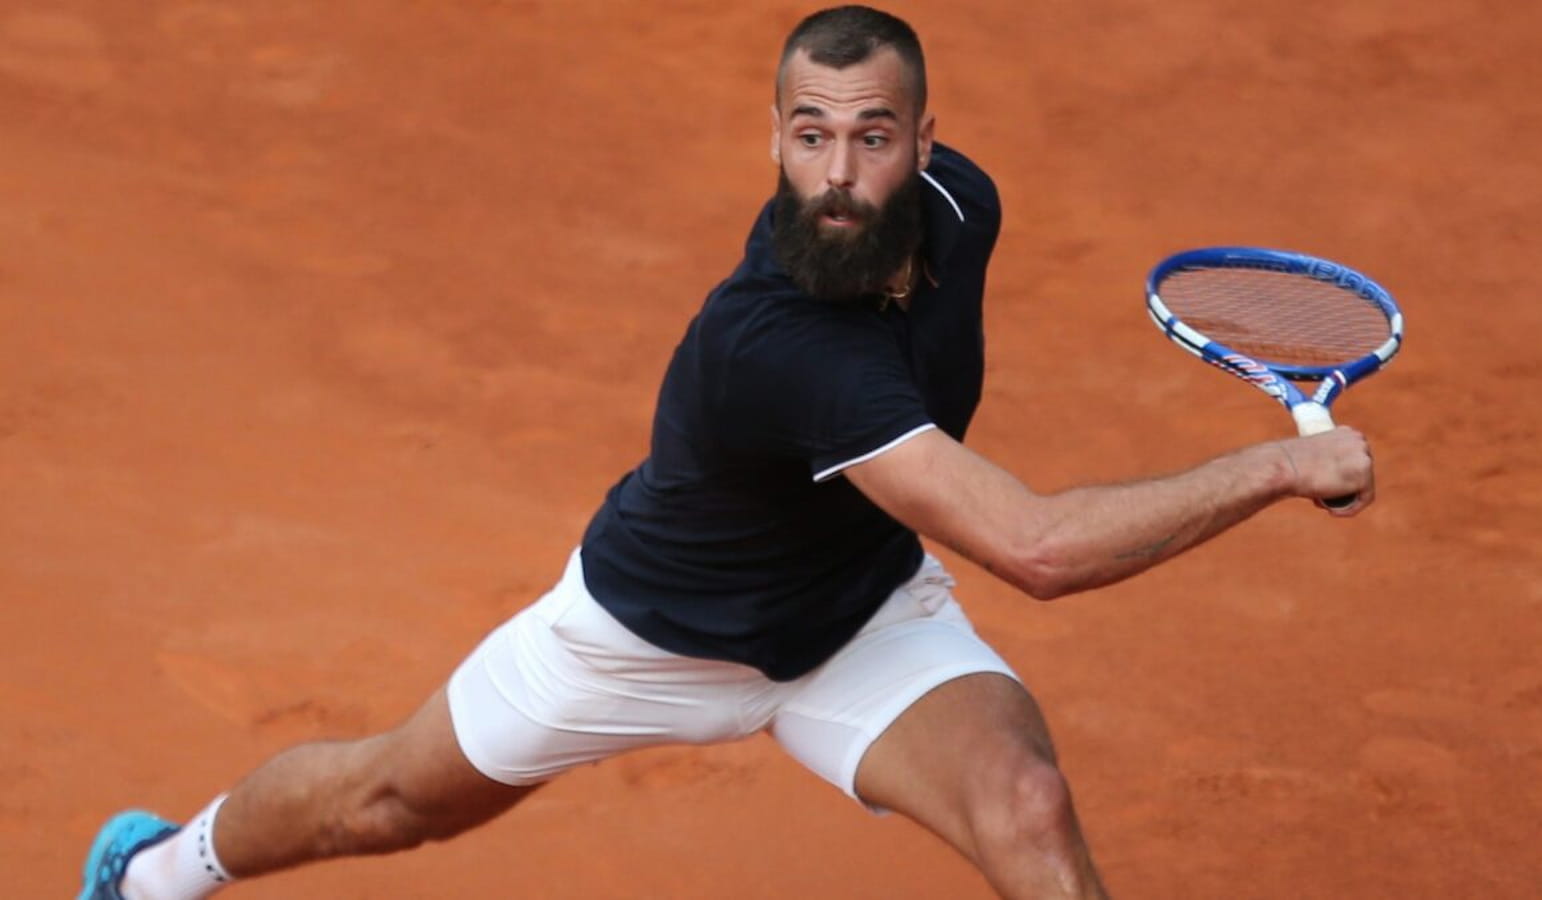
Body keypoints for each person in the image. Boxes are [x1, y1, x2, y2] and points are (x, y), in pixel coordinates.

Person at [79, 6, 1376, 899]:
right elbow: (1034, 548)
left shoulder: (963, 210)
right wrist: (1269, 469)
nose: (836, 171)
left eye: (873, 136)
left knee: (1027, 807)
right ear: (774, 139)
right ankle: (157, 872)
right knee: (386, 801)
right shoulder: (778, 343)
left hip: (860, 620)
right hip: (645, 632)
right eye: (808, 133)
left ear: (927, 146)